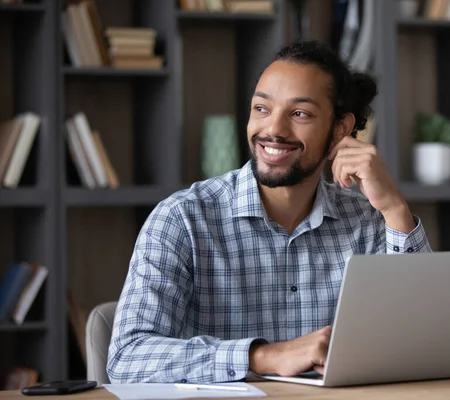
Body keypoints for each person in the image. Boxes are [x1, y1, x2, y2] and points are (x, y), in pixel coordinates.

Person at [106, 40, 431, 384]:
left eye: (299, 114)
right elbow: (128, 356)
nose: (273, 129)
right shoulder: (182, 219)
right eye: (262, 109)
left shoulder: (368, 220)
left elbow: (428, 340)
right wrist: (264, 356)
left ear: (339, 129)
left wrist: (394, 208)